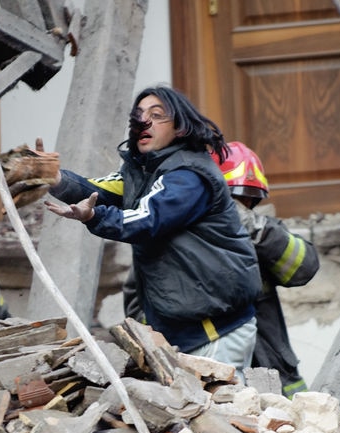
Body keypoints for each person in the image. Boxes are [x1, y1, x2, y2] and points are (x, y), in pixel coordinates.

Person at [42, 84, 262, 375]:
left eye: (157, 115)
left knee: (219, 414)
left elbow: (147, 219)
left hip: (215, 331)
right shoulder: (140, 172)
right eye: (138, 116)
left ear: (181, 128)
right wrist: (55, 178)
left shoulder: (188, 176)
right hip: (179, 332)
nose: (144, 121)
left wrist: (94, 216)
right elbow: (96, 190)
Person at [216, 141, 320, 396]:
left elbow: (304, 268)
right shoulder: (179, 243)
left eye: (248, 201)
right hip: (218, 378)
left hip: (275, 376)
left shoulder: (261, 233)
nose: (241, 207)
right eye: (233, 200)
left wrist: (257, 232)